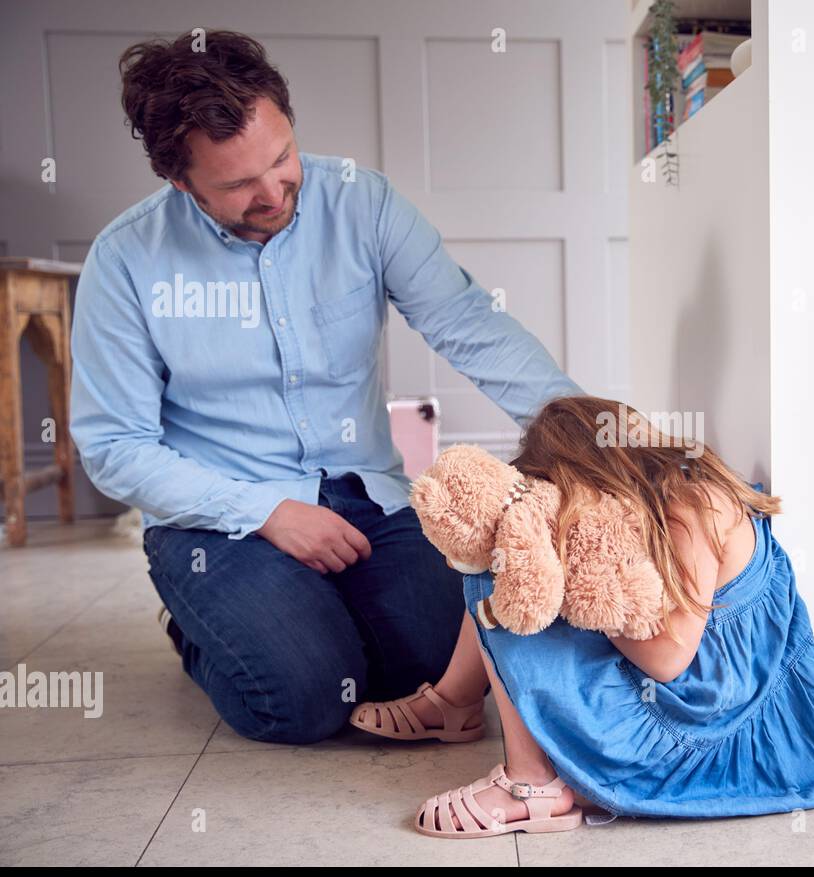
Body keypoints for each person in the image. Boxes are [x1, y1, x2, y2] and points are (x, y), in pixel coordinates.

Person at [68, 31, 582, 744]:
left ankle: (309, 620)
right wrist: (267, 511)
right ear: (180, 182)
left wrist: (587, 434)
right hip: (223, 516)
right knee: (301, 701)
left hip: (365, 493)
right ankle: (197, 627)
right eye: (238, 184)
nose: (274, 191)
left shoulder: (361, 204)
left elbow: (467, 323)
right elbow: (114, 446)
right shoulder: (126, 260)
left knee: (442, 672)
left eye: (282, 158)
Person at [350, 396, 814, 836]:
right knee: (509, 553)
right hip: (716, 707)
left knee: (501, 568)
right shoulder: (666, 495)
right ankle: (454, 702)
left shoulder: (688, 505)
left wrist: (580, 585)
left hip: (709, 730)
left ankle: (530, 781)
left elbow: (670, 662)